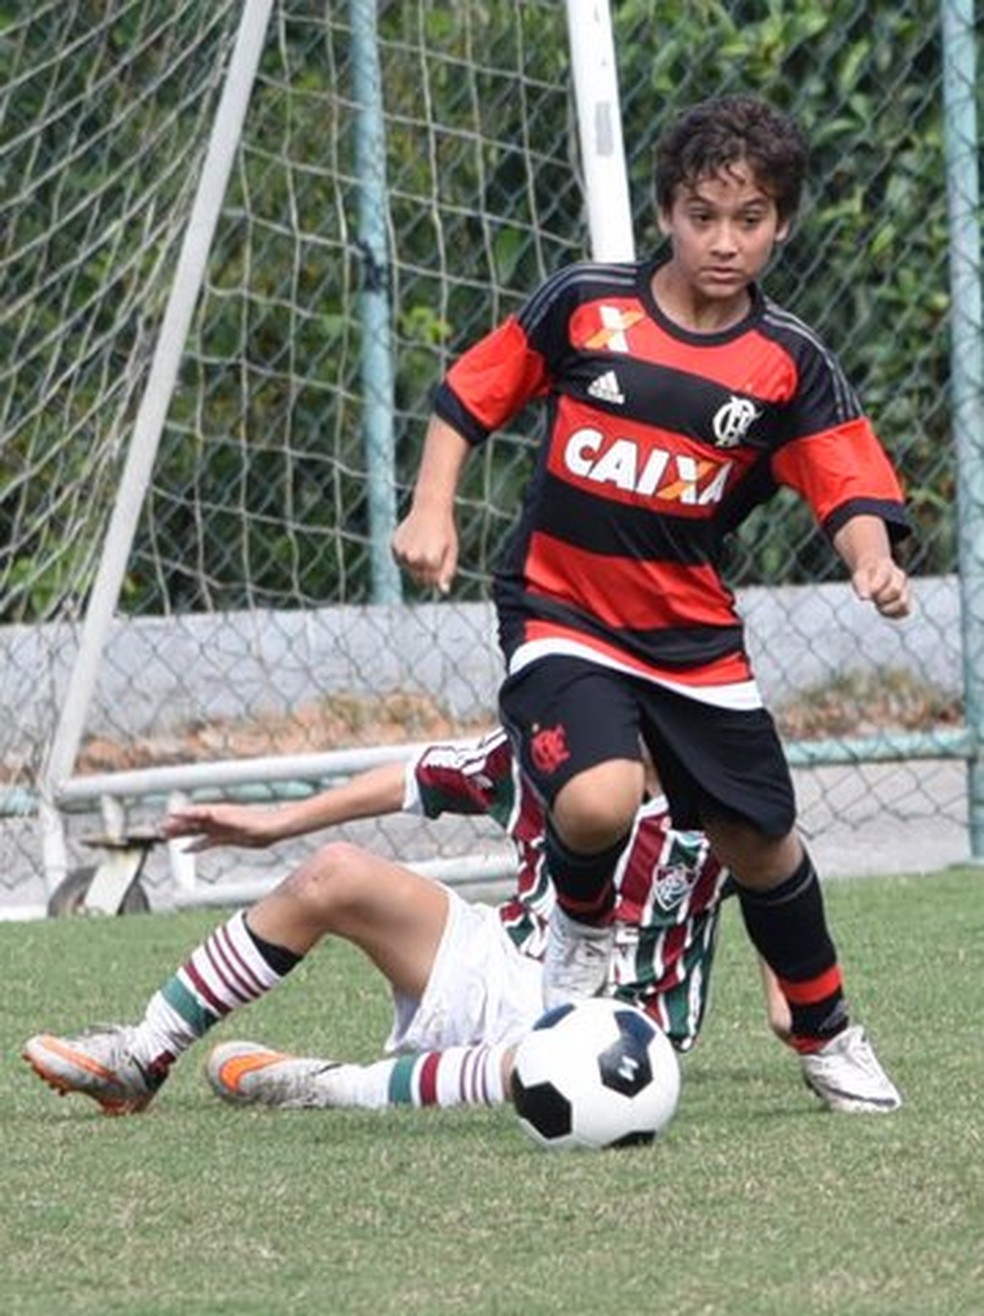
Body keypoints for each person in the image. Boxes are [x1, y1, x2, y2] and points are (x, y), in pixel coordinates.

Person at [390, 94, 909, 1113]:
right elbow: (471, 393)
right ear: (667, 211)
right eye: (703, 216)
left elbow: (846, 481)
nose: (724, 241)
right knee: (597, 797)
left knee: (761, 841)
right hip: (558, 607)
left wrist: (872, 558)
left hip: (693, 640)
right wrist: (430, 508)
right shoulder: (587, 304)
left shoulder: (787, 363)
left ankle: (826, 1029)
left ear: (782, 225)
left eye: (749, 220)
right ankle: (581, 935)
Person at [23, 728, 782, 1117]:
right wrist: (277, 823)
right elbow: (414, 776)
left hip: (615, 1030)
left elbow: (779, 896)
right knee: (336, 872)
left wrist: (809, 1021)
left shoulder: (720, 796)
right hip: (501, 962)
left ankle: (323, 1085)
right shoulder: (548, 746)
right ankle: (142, 1056)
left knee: (558, 1070)